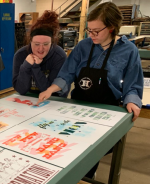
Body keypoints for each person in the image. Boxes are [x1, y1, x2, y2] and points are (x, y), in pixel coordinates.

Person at [37, 2, 143, 178]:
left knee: (92, 154)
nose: (91, 35)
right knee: (69, 149)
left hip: (107, 109)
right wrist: (51, 89)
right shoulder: (83, 46)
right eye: (89, 30)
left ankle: (87, 176)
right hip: (78, 106)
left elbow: (132, 84)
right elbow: (67, 73)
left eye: (96, 31)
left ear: (111, 28)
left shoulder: (128, 50)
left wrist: (132, 100)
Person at [13, 10, 69, 97]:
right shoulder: (20, 55)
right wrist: (26, 66)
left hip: (54, 102)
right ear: (30, 41)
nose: (41, 49)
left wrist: (36, 67)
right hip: (29, 100)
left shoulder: (59, 56)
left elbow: (50, 93)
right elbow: (21, 90)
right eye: (36, 44)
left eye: (46, 44)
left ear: (52, 42)